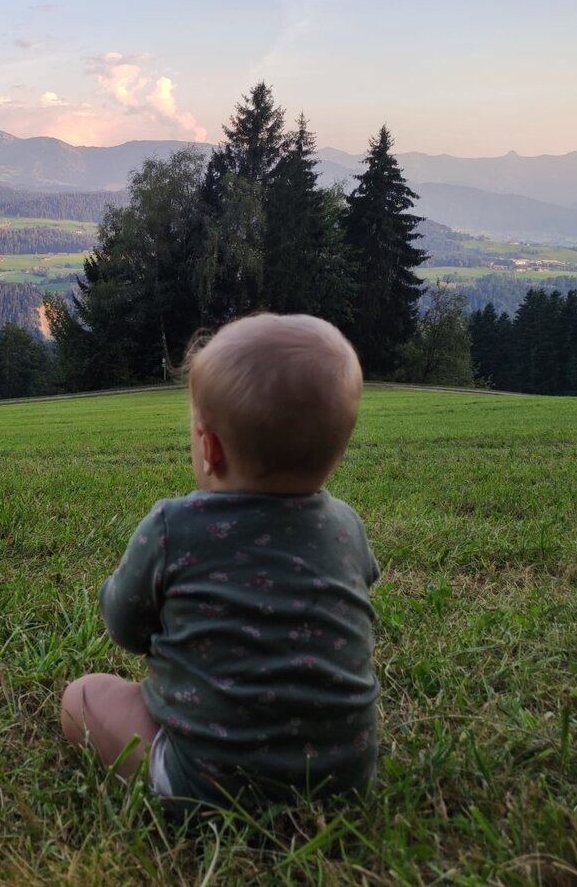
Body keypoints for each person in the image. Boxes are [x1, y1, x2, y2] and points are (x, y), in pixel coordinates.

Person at [60, 313, 379, 818]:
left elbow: (124, 625)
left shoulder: (173, 526)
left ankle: (178, 779)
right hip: (344, 780)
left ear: (209, 447)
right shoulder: (346, 527)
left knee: (82, 696)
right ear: (338, 452)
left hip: (205, 784)